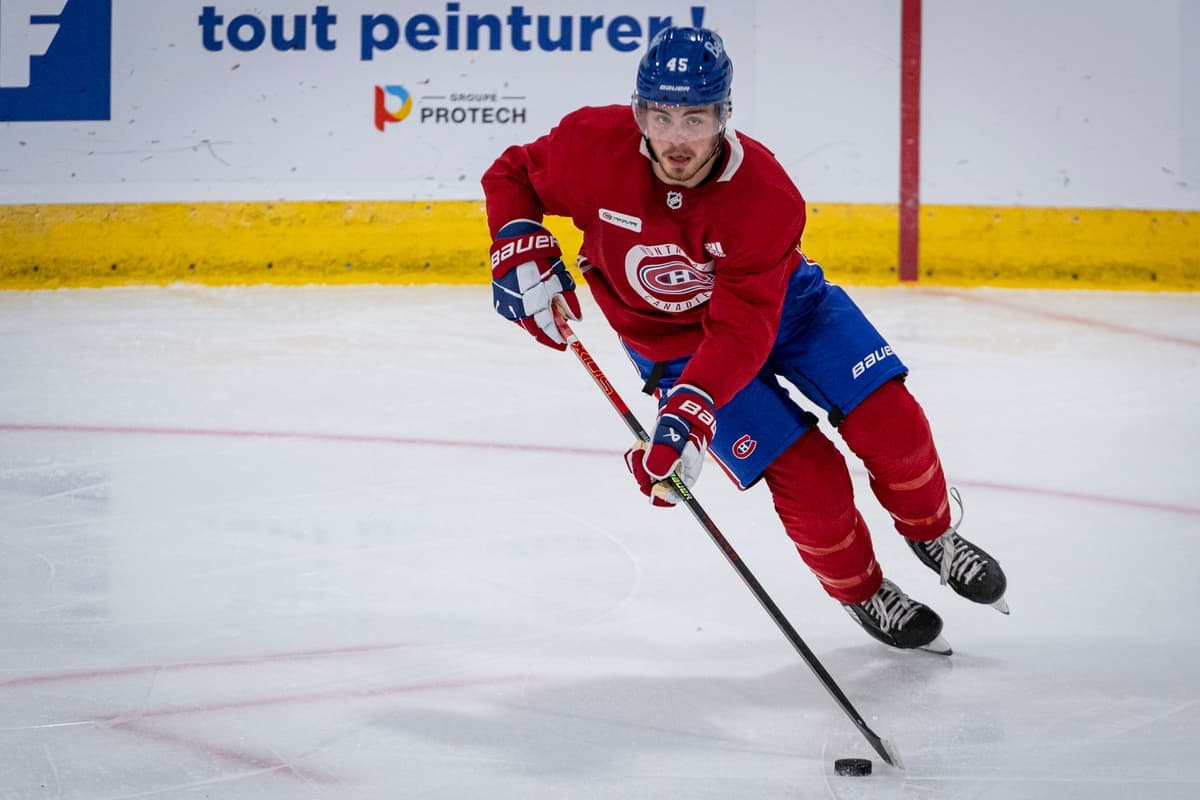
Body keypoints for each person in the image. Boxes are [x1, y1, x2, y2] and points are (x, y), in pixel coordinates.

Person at [481, 26, 1007, 654]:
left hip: (789, 312)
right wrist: (516, 242)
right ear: (639, 111)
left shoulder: (765, 194)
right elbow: (513, 172)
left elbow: (741, 328)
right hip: (673, 346)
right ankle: (863, 590)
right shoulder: (592, 146)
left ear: (723, 116)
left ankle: (932, 532)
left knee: (891, 422)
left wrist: (694, 405)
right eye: (661, 116)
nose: (677, 139)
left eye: (695, 118)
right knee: (808, 478)